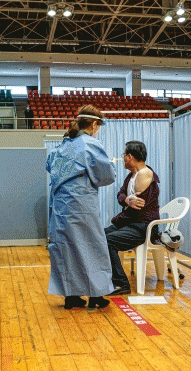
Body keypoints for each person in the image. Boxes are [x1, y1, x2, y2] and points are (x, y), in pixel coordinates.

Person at [46, 105, 116, 309]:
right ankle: (96, 295)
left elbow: (50, 165)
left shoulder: (63, 145)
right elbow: (106, 175)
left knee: (65, 248)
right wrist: (111, 164)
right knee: (93, 245)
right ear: (94, 124)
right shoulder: (90, 144)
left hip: (60, 206)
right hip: (81, 204)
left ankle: (71, 295)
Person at [105, 141, 161, 295]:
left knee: (107, 241)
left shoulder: (145, 174)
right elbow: (121, 195)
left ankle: (121, 283)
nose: (122, 158)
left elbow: (136, 211)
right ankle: (109, 277)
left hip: (143, 227)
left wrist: (120, 213)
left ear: (129, 157)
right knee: (99, 236)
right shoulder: (131, 175)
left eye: (124, 155)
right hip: (131, 224)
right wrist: (126, 200)